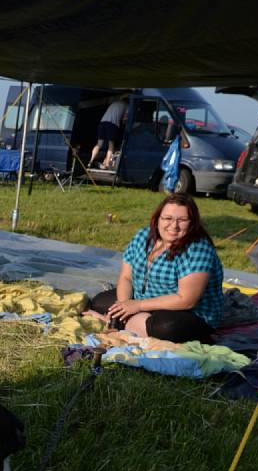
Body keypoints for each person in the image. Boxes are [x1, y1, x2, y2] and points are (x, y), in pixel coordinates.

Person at [88, 194, 224, 343]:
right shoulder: (143, 236)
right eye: (167, 218)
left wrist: (137, 306)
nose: (174, 225)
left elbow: (187, 300)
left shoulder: (198, 249)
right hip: (145, 300)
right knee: (99, 303)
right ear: (157, 218)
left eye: (183, 220)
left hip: (187, 312)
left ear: (192, 223)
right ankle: (134, 324)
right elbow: (126, 277)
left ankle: (123, 325)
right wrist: (124, 307)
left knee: (166, 327)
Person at [87, 97, 128, 170]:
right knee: (111, 145)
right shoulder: (127, 105)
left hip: (102, 123)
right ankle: (106, 164)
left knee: (99, 144)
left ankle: (90, 161)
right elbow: (125, 119)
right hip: (112, 124)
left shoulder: (114, 103)